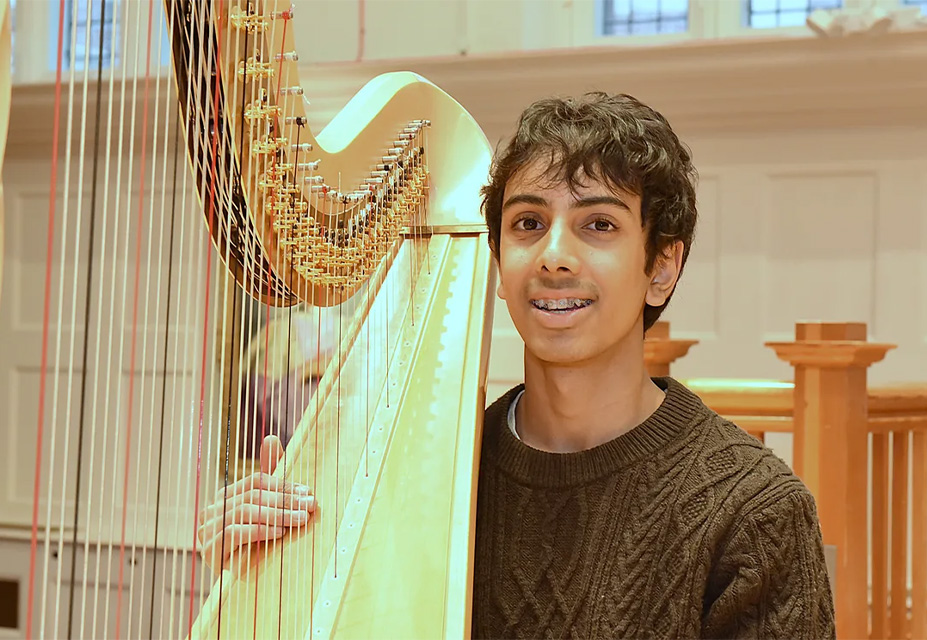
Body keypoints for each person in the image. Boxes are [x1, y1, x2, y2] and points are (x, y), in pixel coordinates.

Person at [198, 92, 836, 637]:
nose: (554, 255)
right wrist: (261, 584)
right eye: (529, 222)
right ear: (497, 264)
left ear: (661, 267)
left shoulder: (754, 513)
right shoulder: (432, 484)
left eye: (599, 225)